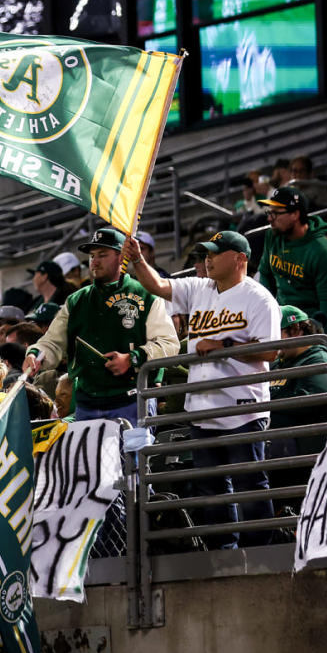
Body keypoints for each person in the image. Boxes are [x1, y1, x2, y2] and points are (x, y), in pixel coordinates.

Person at [125, 230, 281, 548]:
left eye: (214, 253)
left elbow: (269, 351)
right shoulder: (199, 288)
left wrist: (224, 344)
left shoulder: (258, 297)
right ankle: (224, 554)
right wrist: (138, 260)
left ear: (240, 259)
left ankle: (264, 552)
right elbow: (158, 285)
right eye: (205, 254)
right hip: (201, 408)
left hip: (242, 407)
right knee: (211, 489)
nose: (207, 259)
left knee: (250, 483)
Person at [22, 229, 179, 424]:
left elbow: (169, 344)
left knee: (129, 455)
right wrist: (36, 354)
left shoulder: (147, 296)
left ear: (122, 257)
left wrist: (132, 359)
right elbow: (52, 342)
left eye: (102, 255)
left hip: (133, 398)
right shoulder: (76, 300)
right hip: (86, 402)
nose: (94, 262)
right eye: (92, 256)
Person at [257, 187, 327, 337]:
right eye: (269, 212)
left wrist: (320, 342)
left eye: (275, 213)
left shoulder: (323, 254)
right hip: (280, 321)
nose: (269, 218)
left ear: (295, 214)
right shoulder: (273, 236)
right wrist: (266, 311)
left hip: (307, 328)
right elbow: (265, 275)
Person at [268, 306, 327, 465]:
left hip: (308, 451)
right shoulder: (277, 364)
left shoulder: (318, 359)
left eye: (275, 332)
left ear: (295, 329)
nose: (270, 339)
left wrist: (266, 405)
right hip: (280, 446)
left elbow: (310, 401)